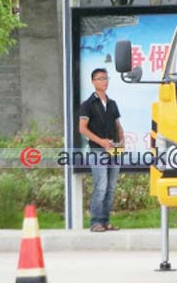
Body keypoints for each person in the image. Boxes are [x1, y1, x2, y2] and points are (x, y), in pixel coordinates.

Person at [79, 68, 124, 232]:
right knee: (101, 185)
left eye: (105, 78)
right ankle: (95, 222)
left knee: (111, 187)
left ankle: (105, 222)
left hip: (114, 150)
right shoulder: (88, 104)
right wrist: (101, 142)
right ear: (93, 82)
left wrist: (122, 143)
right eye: (99, 78)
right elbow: (82, 129)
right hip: (98, 150)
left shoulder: (112, 104)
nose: (104, 81)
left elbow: (118, 126)